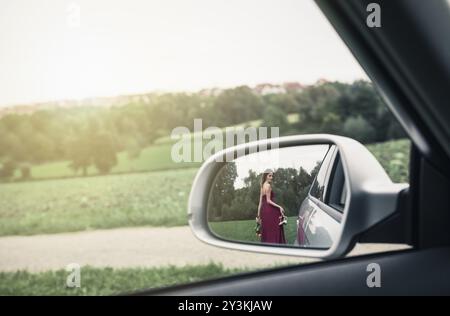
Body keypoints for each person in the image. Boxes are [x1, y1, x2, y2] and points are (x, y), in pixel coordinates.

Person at [256, 169, 287, 244]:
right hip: (269, 210)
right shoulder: (268, 186)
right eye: (269, 175)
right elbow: (268, 200)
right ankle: (277, 244)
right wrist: (279, 207)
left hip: (264, 211)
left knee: (267, 230)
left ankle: (268, 246)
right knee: (276, 227)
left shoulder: (262, 186)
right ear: (266, 176)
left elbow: (260, 202)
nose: (271, 177)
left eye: (272, 176)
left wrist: (258, 215)